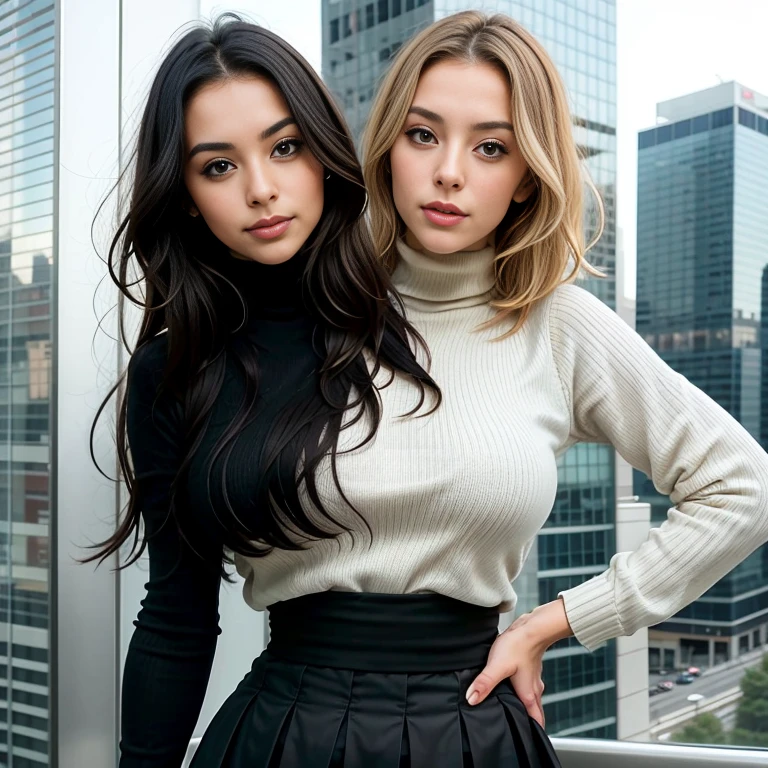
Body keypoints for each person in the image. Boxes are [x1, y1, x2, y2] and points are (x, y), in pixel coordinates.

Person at [80, 14, 505, 768]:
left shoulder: (436, 309)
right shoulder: (175, 374)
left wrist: (552, 624)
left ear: (325, 154)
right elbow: (177, 619)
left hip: (471, 728)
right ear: (183, 196)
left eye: (285, 147)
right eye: (218, 166)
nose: (262, 190)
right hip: (280, 737)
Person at [360, 6, 768, 754]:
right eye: (423, 135)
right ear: (388, 147)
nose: (449, 170)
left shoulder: (558, 324)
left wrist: (559, 621)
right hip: (293, 716)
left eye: (491, 148)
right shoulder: (315, 312)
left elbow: (746, 485)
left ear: (525, 179)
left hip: (465, 720)